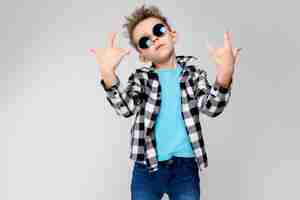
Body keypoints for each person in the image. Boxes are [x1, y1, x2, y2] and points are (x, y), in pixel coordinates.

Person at [91, 4, 241, 200]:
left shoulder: (193, 74)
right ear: (142, 56)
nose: (153, 39)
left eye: (158, 31)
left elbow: (211, 108)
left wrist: (225, 74)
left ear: (173, 34)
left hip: (185, 168)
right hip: (146, 168)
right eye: (144, 41)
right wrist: (108, 74)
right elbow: (126, 108)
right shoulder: (141, 78)